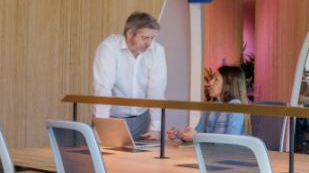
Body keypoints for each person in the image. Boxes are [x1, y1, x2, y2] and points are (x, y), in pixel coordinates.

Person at [92, 12, 167, 140]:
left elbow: (156, 90)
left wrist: (156, 128)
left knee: (140, 159)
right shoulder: (108, 48)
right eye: (145, 38)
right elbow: (103, 88)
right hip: (112, 117)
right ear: (130, 34)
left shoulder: (157, 50)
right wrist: (102, 126)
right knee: (108, 158)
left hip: (142, 117)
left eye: (152, 38)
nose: (149, 43)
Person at [173, 66, 247, 143]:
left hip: (224, 154)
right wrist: (179, 134)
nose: (210, 82)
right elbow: (198, 132)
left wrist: (197, 137)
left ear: (228, 86)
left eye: (216, 80)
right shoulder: (211, 107)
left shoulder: (236, 108)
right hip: (208, 153)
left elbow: (231, 143)